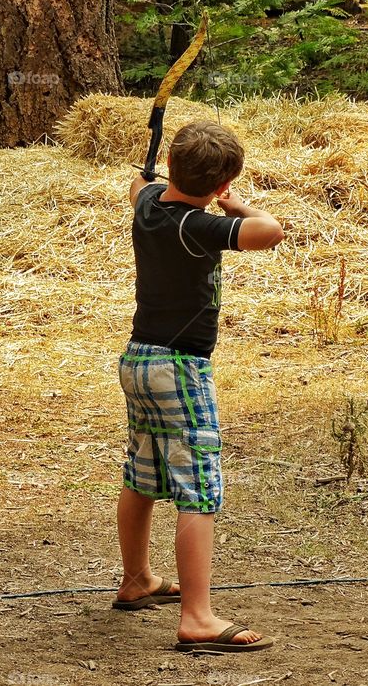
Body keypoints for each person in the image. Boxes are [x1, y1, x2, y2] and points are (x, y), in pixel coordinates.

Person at [112, 120, 284, 653]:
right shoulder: (198, 226)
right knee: (200, 488)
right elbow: (270, 230)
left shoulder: (150, 208)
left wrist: (158, 179)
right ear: (225, 180)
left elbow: (137, 187)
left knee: (143, 473)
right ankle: (198, 618)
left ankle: (138, 578)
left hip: (139, 360)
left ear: (169, 167)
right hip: (179, 369)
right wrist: (234, 205)